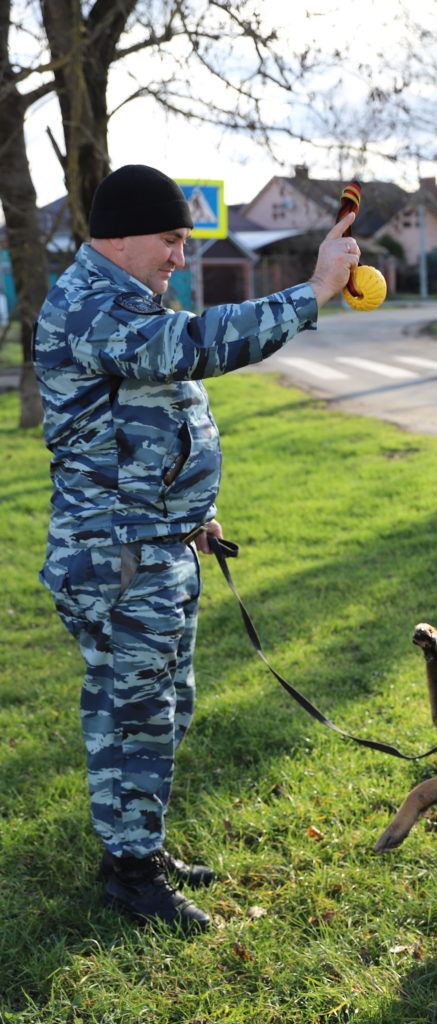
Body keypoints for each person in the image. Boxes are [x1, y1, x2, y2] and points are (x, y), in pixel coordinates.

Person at [34, 164, 360, 933]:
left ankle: (134, 845)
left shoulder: (127, 298)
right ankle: (132, 873)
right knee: (134, 714)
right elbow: (195, 349)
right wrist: (312, 289)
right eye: (171, 239)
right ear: (120, 234)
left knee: (162, 707)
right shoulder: (90, 305)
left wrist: (191, 512)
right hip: (115, 559)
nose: (179, 256)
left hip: (153, 543)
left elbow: (151, 417)